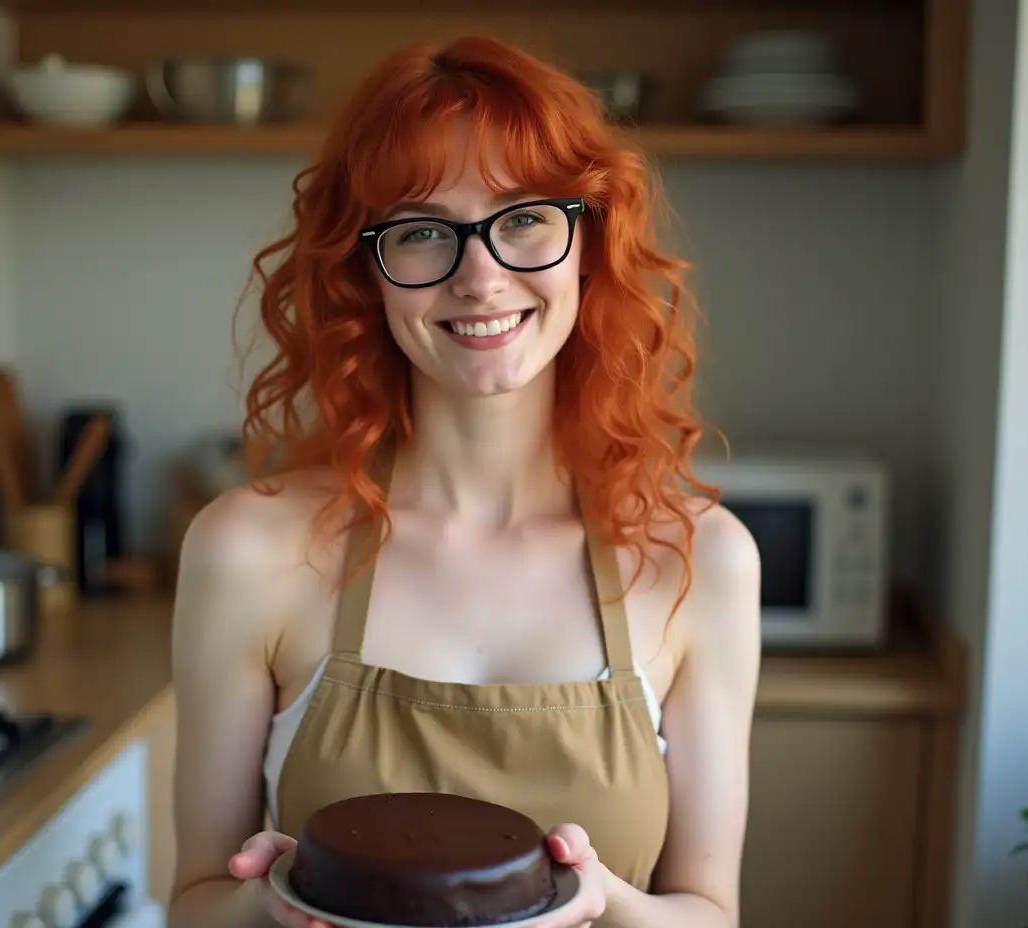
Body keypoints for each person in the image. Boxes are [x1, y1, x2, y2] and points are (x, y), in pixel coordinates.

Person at [168, 33, 761, 928]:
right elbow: (194, 904)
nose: (481, 278)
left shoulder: (696, 560)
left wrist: (610, 904)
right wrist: (265, 905)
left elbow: (711, 915)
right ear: (365, 271)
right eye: (420, 232)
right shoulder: (247, 551)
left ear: (590, 241)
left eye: (524, 218)